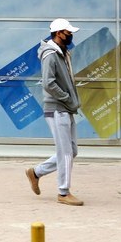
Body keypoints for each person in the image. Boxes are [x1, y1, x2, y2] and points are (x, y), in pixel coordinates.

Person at [25, 18, 83, 206]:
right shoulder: (50, 54)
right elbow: (48, 83)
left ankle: (36, 172)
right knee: (65, 152)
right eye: (68, 32)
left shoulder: (62, 53)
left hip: (65, 108)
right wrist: (66, 98)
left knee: (71, 151)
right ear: (59, 33)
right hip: (57, 108)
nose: (71, 35)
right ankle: (63, 193)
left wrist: (70, 101)